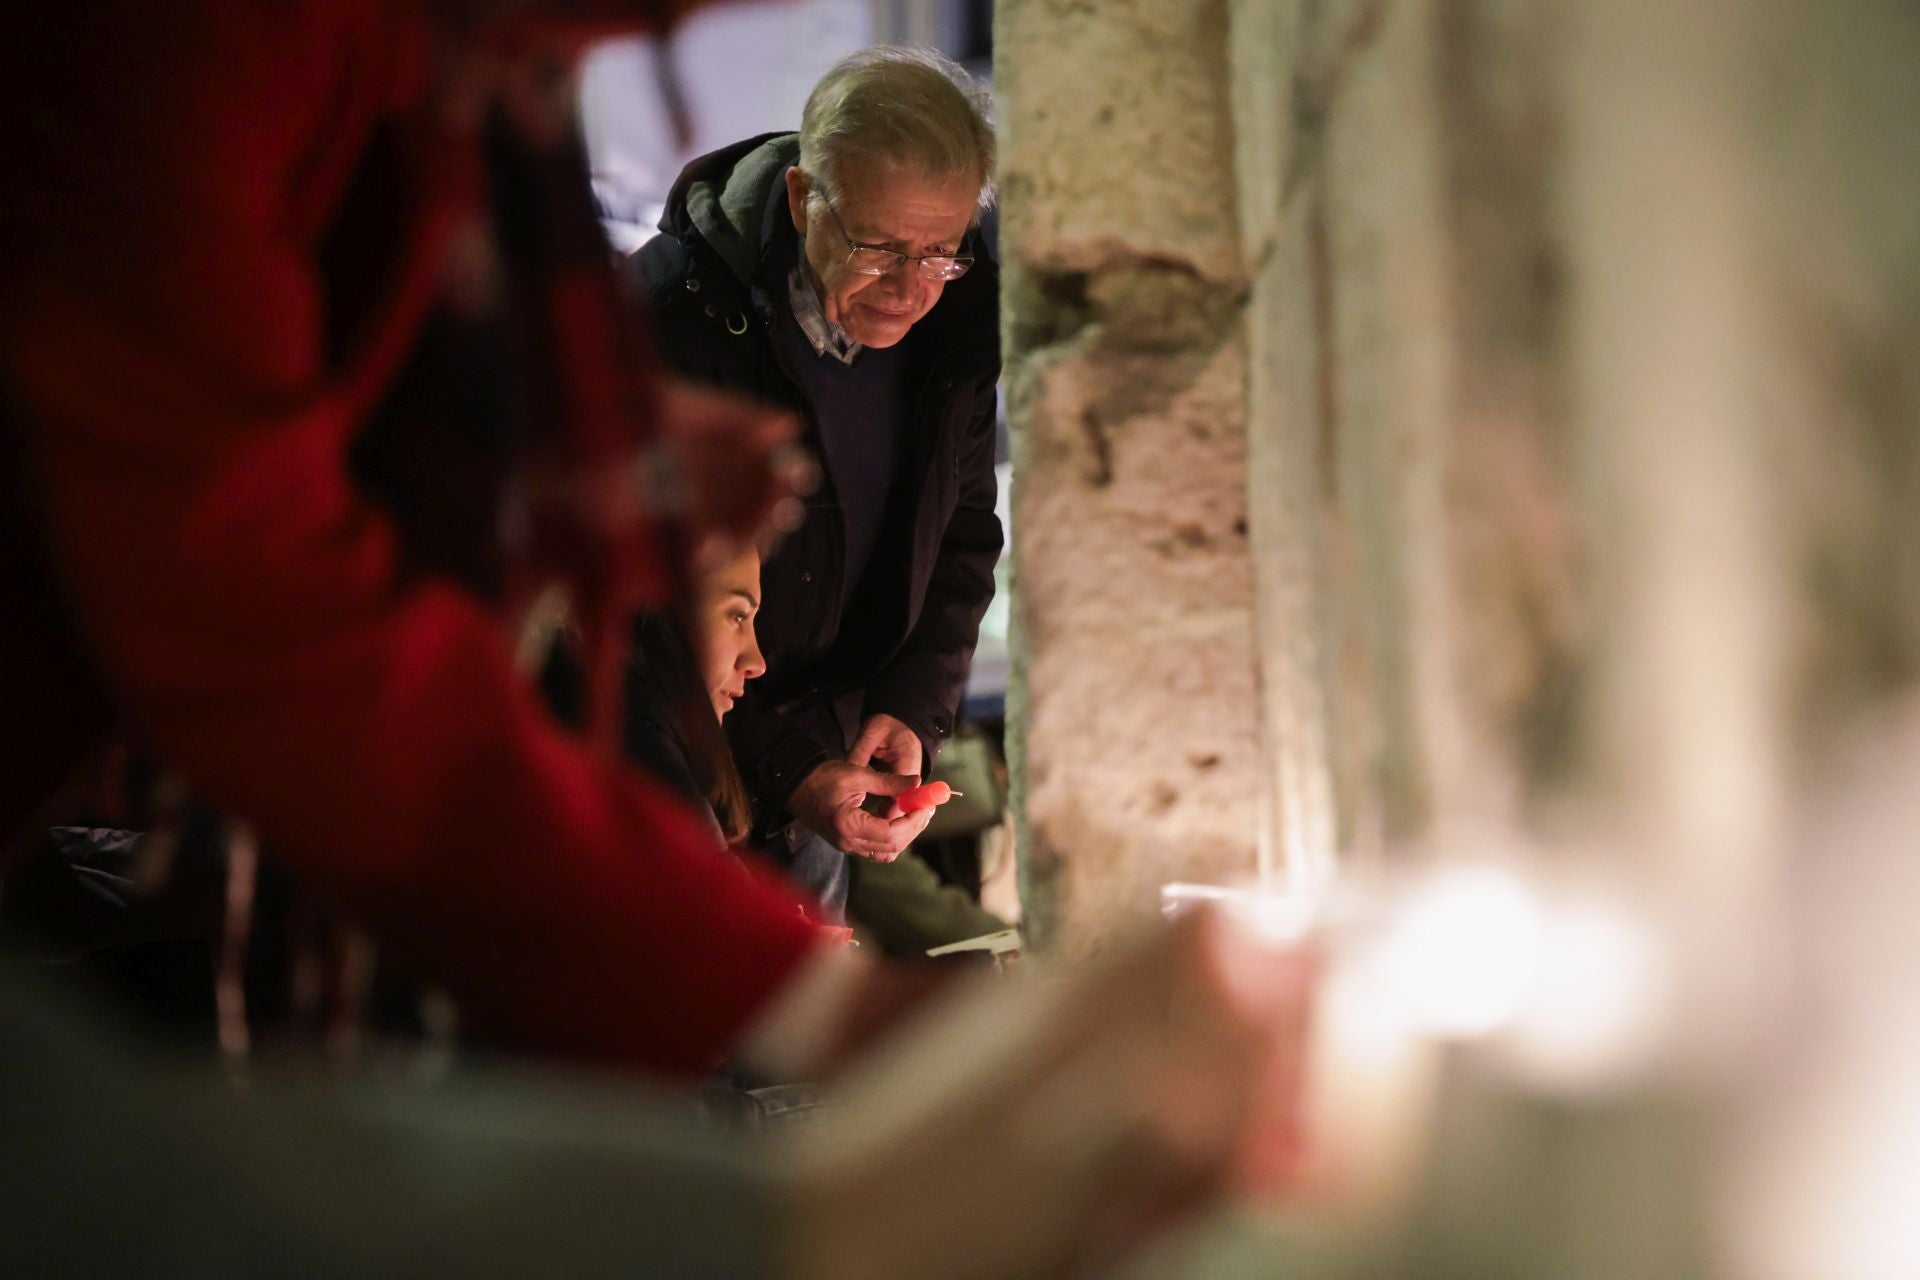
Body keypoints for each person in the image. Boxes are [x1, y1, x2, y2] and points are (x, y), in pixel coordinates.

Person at [628, 46, 1003, 918]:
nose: (911, 290)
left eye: (941, 253)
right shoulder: (666, 326)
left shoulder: (961, 324)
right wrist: (786, 763)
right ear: (803, 200)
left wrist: (914, 708)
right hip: (683, 773)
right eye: (880, 248)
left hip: (829, 785)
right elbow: (640, 619)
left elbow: (964, 533)